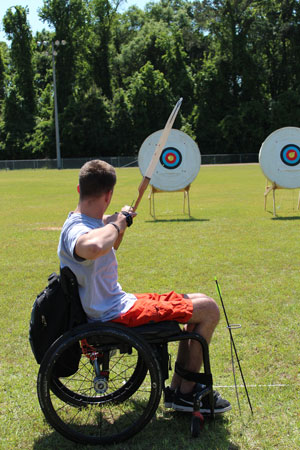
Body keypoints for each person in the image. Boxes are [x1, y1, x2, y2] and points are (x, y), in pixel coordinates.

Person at [58, 159, 231, 414]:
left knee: (197, 299)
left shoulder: (89, 221)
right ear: (108, 194)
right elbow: (93, 247)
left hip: (116, 305)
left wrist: (119, 220)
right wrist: (118, 223)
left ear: (79, 189)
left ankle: (179, 391)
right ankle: (186, 393)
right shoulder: (78, 229)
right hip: (112, 314)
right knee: (209, 309)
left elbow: (108, 245)